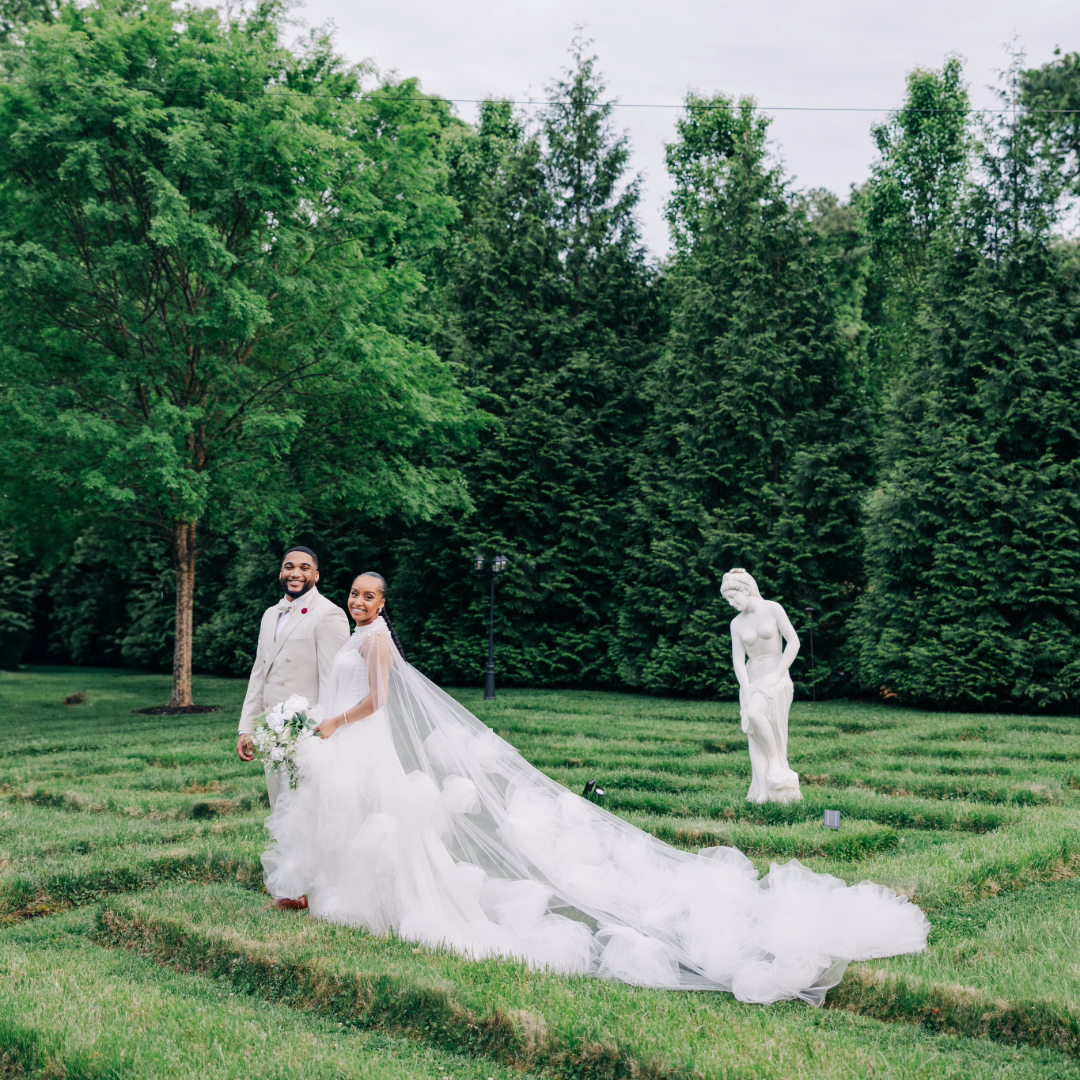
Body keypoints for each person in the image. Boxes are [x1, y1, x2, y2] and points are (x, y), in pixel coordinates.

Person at [261, 571, 928, 1005]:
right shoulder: (354, 632)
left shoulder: (377, 639)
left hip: (355, 738)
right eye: (354, 595)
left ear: (384, 603)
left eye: (368, 596)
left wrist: (328, 726)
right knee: (352, 821)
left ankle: (390, 897)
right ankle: (342, 893)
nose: (359, 602)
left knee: (380, 822)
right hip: (341, 741)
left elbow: (377, 700)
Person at [237, 546, 349, 906]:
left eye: (304, 567)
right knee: (281, 810)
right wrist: (246, 727)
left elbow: (334, 681)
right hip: (273, 732)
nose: (295, 572)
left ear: (316, 575)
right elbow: (260, 671)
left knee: (307, 811)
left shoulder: (328, 615)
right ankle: (293, 888)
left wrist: (321, 733)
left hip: (308, 733)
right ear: (281, 572)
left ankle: (317, 887)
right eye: (289, 566)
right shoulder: (271, 614)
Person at [721, 568, 802, 804]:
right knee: (753, 734)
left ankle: (776, 761)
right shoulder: (736, 623)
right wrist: (746, 691)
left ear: (745, 589)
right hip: (751, 680)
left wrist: (778, 674)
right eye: (727, 600)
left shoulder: (773, 609)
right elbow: (738, 661)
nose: (731, 603)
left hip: (776, 678)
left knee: (756, 714)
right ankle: (762, 793)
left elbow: (794, 642)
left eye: (733, 597)